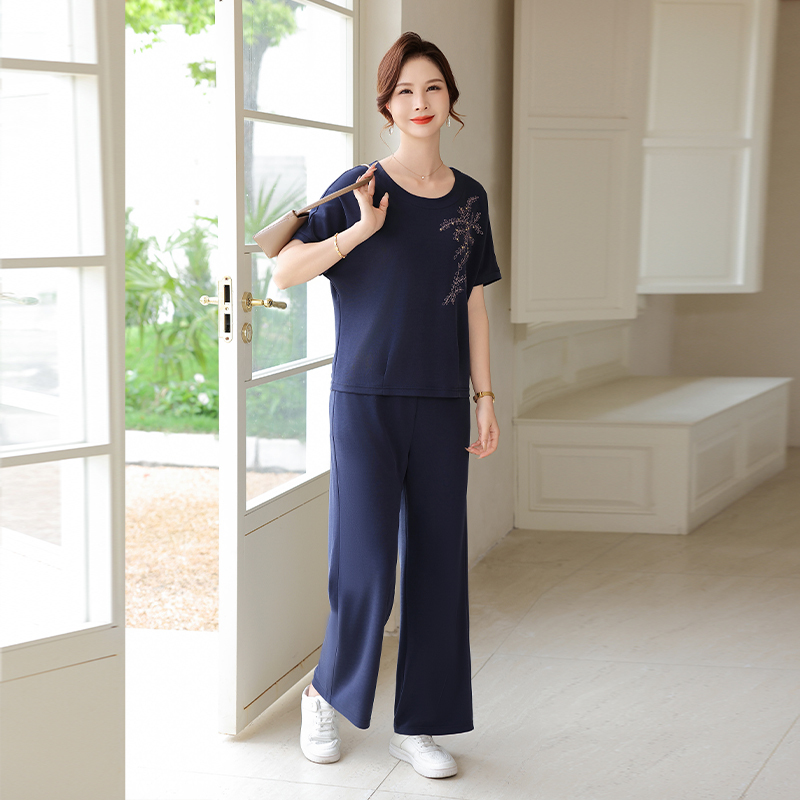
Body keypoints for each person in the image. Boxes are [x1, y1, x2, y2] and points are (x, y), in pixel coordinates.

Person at [274, 31, 501, 780]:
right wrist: (362, 230)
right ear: (387, 106)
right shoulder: (360, 186)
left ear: (450, 99)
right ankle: (324, 695)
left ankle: (421, 724)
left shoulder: (471, 198)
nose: (420, 102)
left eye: (432, 87)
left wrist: (485, 396)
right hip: (365, 400)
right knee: (366, 565)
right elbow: (285, 272)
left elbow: (473, 303)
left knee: (438, 566)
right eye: (405, 91)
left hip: (441, 402)